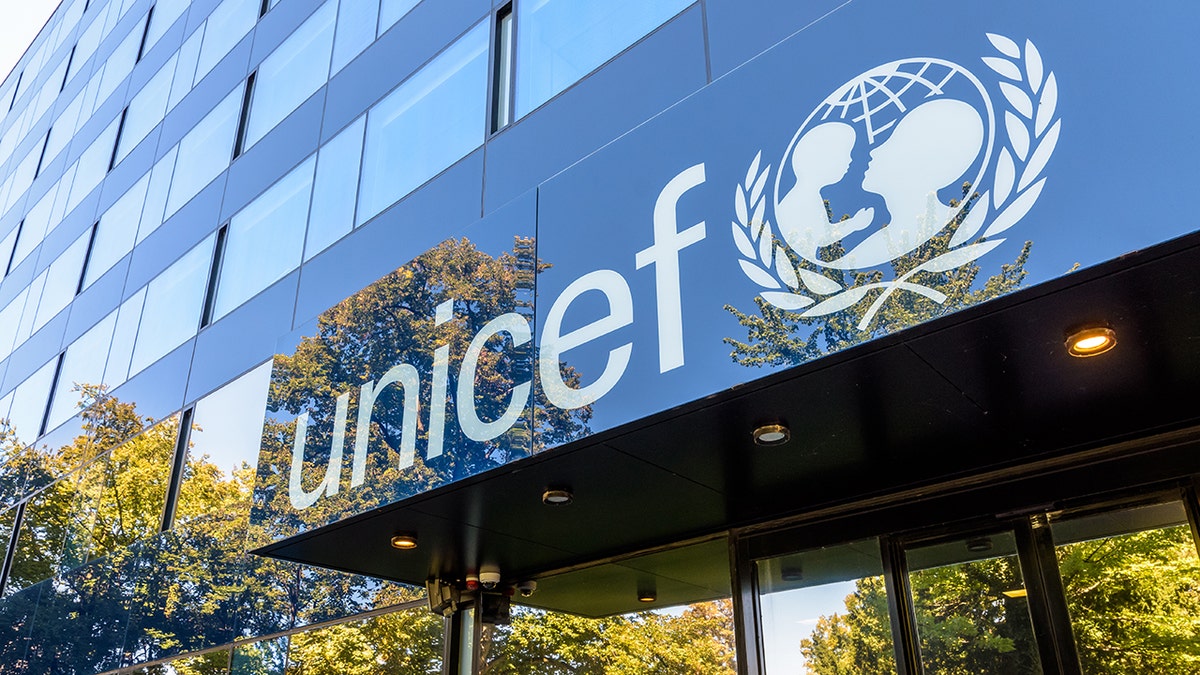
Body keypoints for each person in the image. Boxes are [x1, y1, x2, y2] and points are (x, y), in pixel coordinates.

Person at [823, 97, 984, 269]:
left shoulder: (951, 233)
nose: (872, 152)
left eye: (890, 141)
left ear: (919, 163)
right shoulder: (871, 250)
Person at [775, 122, 875, 262]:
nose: (850, 160)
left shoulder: (809, 195)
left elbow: (822, 235)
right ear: (823, 159)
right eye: (845, 154)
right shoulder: (802, 198)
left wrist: (855, 223)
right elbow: (822, 237)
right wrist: (854, 225)